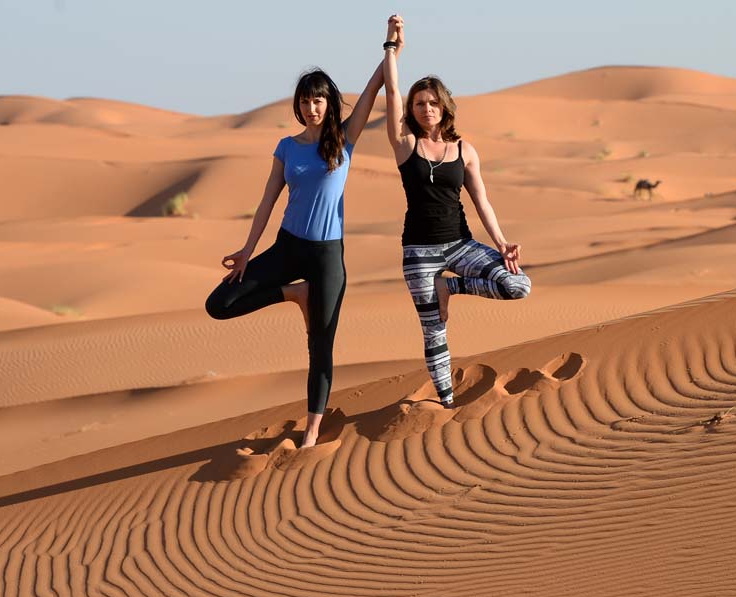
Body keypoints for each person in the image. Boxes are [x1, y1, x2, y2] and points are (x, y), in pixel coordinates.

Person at [205, 39, 402, 448]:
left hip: (327, 256)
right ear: (298, 105)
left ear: (329, 103)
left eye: (319, 100)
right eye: (306, 101)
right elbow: (267, 200)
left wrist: (391, 46)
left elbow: (376, 86)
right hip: (287, 247)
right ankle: (294, 294)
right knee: (219, 304)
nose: (312, 107)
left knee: (321, 344)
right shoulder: (286, 147)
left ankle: (312, 430)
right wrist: (247, 250)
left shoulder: (344, 141)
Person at [382, 15, 531, 408]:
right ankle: (447, 403)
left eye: (432, 102)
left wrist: (501, 244)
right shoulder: (404, 145)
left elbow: (481, 199)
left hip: (461, 244)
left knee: (517, 286)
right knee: (433, 331)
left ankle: (451, 287)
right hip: (419, 252)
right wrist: (392, 47)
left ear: (443, 106)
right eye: (419, 103)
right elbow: (392, 90)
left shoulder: (464, 150)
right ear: (411, 110)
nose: (426, 108)